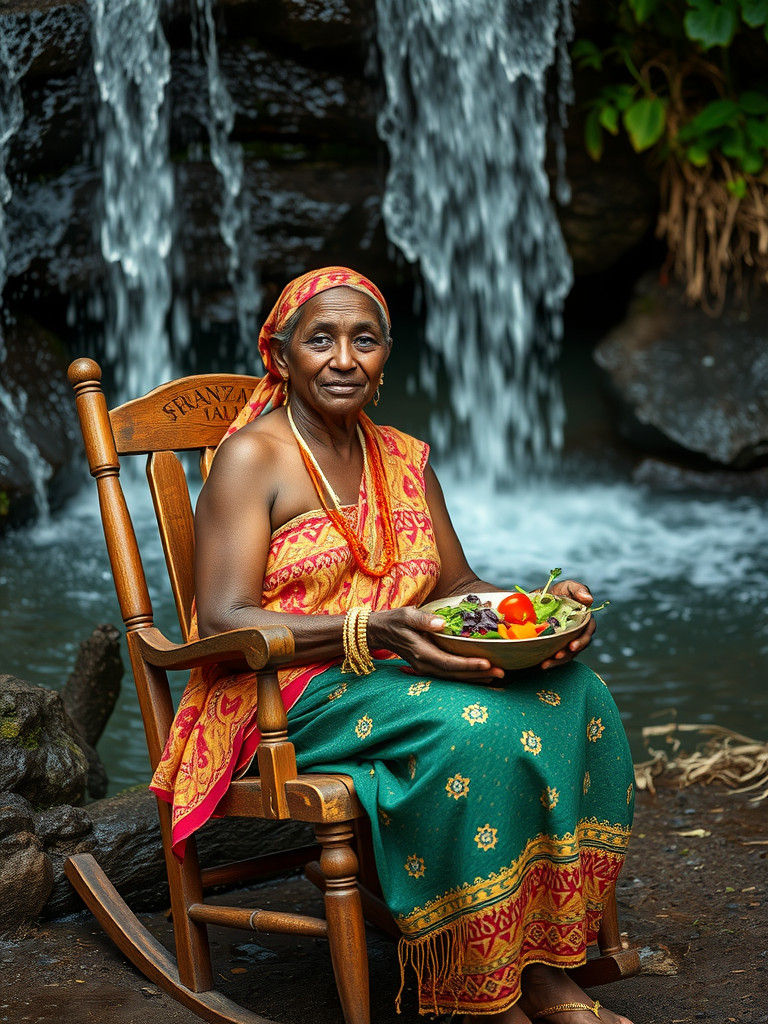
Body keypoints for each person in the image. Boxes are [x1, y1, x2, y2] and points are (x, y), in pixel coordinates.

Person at [151, 267, 635, 1024]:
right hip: (290, 692)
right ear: (282, 357)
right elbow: (220, 622)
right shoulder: (254, 459)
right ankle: (486, 991)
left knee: (577, 692)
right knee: (479, 725)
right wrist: (365, 629)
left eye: (364, 340)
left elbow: (456, 585)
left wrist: (537, 606)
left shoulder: (404, 458)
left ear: (384, 358)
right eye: (321, 339)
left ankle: (535, 961)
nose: (343, 358)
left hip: (395, 670)